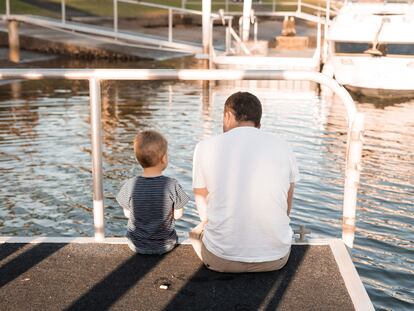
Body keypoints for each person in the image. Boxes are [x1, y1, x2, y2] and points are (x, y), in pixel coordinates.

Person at [190, 91, 300, 273]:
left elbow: (201, 199)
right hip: (276, 258)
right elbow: (287, 203)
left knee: (197, 230)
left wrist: (208, 223)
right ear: (259, 123)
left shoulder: (204, 147)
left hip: (221, 259)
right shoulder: (283, 146)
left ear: (227, 116)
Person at [117, 130, 189, 255]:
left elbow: (127, 214)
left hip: (136, 244)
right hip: (166, 245)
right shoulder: (172, 184)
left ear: (137, 159)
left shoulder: (130, 184)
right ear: (164, 158)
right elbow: (178, 215)